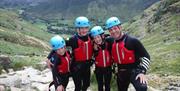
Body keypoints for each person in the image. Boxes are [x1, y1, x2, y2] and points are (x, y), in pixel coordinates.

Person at [47, 16, 93, 91]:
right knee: (78, 87)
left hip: (87, 67)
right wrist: (49, 57)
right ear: (78, 29)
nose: (84, 30)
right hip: (76, 68)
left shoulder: (90, 37)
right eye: (81, 28)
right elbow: (58, 46)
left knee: (86, 85)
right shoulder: (73, 39)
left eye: (86, 28)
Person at [105, 17, 150, 91]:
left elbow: (146, 56)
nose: (113, 31)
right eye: (110, 30)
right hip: (121, 72)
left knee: (142, 87)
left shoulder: (132, 41)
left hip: (134, 71)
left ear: (120, 27)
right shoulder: (111, 41)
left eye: (115, 28)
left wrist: (142, 71)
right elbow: (98, 39)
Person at [90, 26, 113, 91]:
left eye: (98, 37)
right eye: (95, 38)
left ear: (102, 36)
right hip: (98, 69)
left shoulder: (109, 42)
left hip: (108, 68)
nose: (97, 39)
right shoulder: (93, 46)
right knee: (100, 85)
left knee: (107, 85)